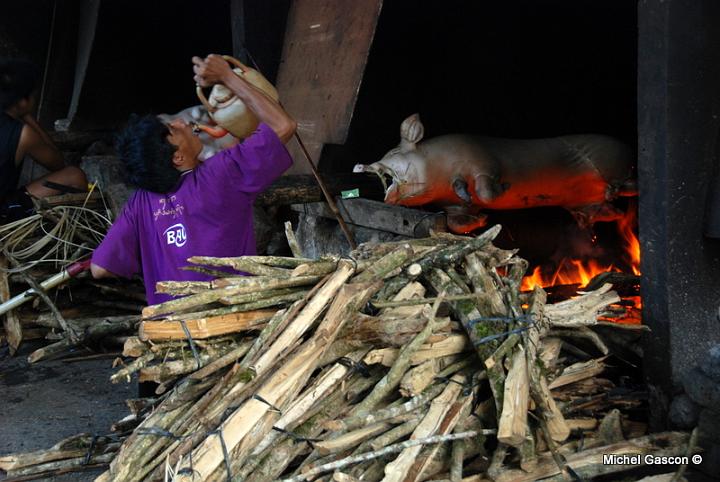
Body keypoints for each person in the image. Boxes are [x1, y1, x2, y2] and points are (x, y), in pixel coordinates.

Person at [90, 54, 296, 305]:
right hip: (231, 321)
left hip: (171, 331)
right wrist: (228, 77)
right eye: (173, 129)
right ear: (177, 158)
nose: (181, 122)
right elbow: (283, 126)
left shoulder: (140, 203)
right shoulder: (220, 175)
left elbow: (100, 268)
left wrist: (162, 259)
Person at [0, 58, 87, 223]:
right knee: (75, 176)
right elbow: (58, 163)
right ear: (22, 101)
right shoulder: (23, 135)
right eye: (33, 96)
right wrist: (27, 118)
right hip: (2, 214)